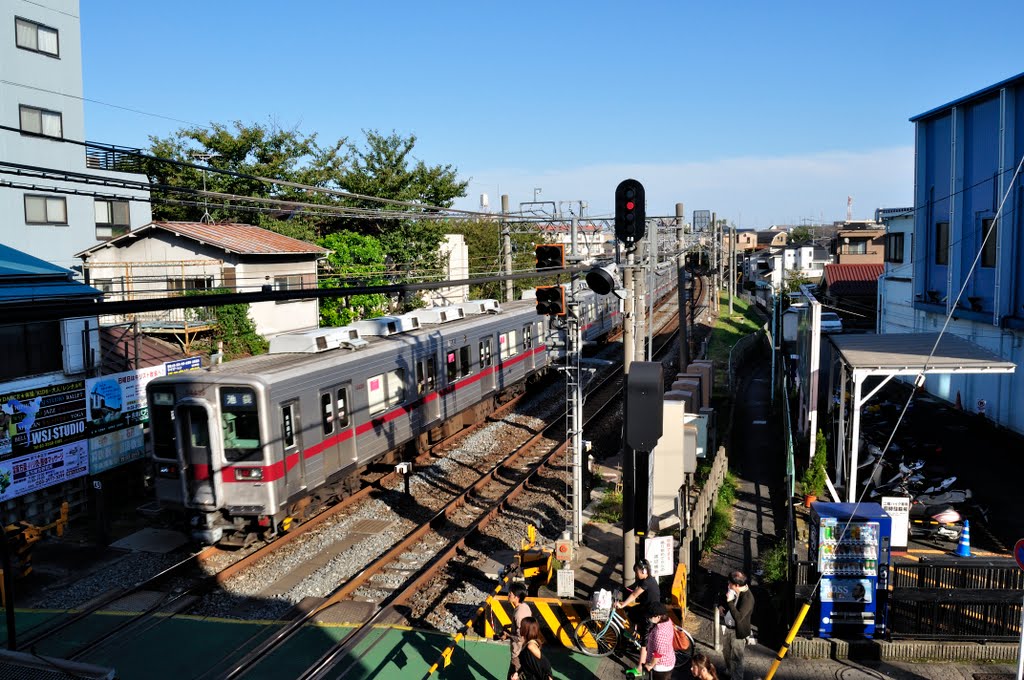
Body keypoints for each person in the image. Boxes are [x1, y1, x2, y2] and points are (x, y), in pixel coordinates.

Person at [614, 558, 660, 676]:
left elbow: (634, 594)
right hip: (645, 609)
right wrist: (621, 589)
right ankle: (634, 633)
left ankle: (639, 668)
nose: (636, 574)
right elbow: (632, 587)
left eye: (636, 572)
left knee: (644, 643)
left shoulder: (646, 582)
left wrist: (622, 604)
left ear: (643, 571)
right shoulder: (647, 579)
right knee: (630, 611)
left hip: (650, 615)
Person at [719, 570, 755, 680]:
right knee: (726, 652)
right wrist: (722, 606)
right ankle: (729, 671)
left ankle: (737, 677)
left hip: (738, 632)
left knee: (736, 658)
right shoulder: (734, 591)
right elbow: (725, 600)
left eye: (730, 583)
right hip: (728, 627)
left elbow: (739, 618)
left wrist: (729, 602)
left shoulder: (748, 599)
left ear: (737, 585)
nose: (728, 585)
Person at [500, 582, 532, 680]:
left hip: (518, 652)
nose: (508, 595)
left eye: (510, 593)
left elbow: (520, 637)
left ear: (516, 597)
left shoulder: (518, 614)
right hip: (525, 651)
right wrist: (510, 626)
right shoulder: (524, 607)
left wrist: (507, 635)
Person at [640, 602, 675, 680]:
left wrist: (650, 665)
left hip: (661, 667)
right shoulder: (667, 621)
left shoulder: (660, 633)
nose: (648, 618)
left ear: (658, 617)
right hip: (669, 659)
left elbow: (657, 654)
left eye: (650, 616)